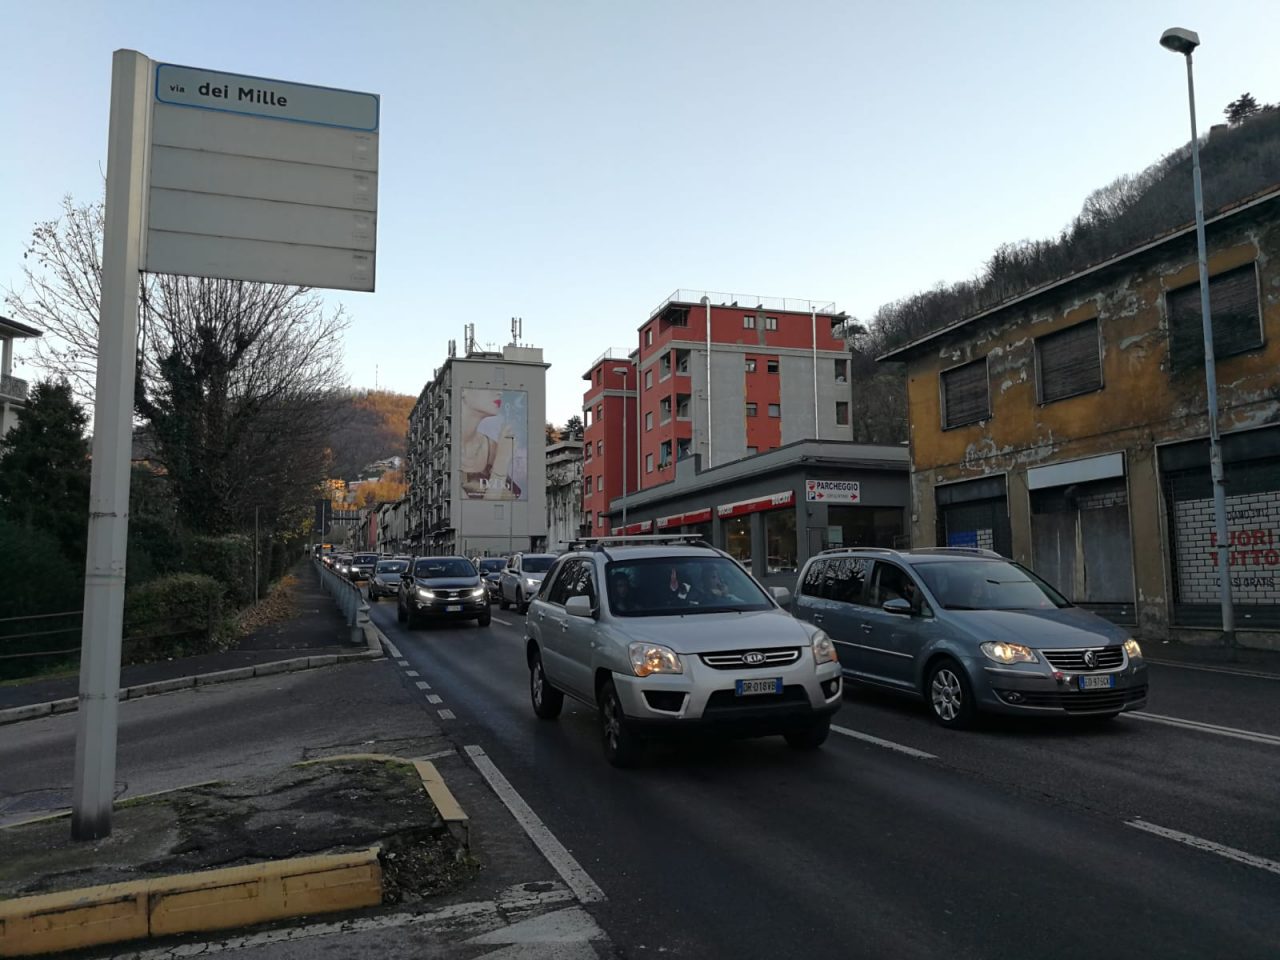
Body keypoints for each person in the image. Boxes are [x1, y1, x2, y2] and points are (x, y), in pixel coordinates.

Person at [460, 389, 522, 500]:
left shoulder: (495, 447)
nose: (499, 392)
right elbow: (481, 515)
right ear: (464, 391)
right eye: (486, 385)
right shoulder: (443, 451)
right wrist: (502, 460)